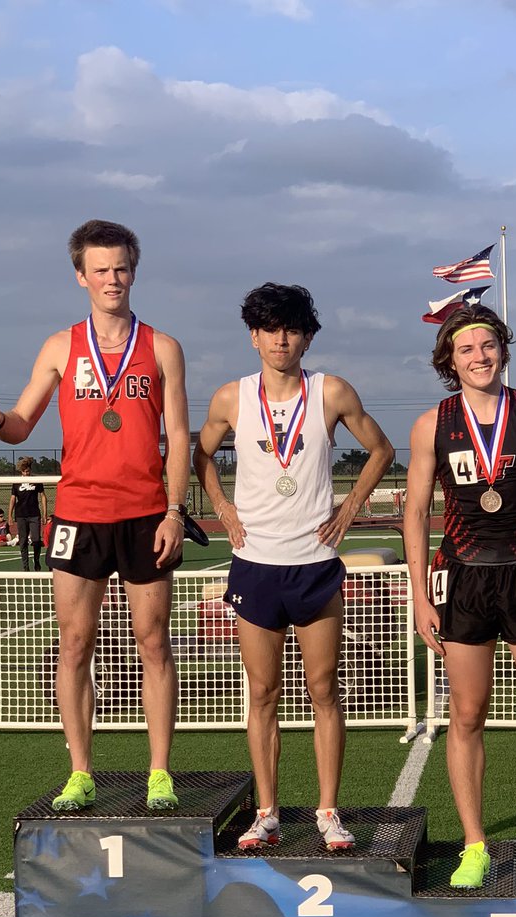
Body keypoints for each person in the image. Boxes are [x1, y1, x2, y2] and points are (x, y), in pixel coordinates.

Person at [0, 219, 190, 812]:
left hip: (145, 515)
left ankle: (159, 771)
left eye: (121, 267)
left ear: (133, 272)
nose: (112, 278)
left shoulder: (162, 347)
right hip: (80, 514)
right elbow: (21, 424)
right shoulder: (60, 346)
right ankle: (81, 771)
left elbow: (179, 435)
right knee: (74, 643)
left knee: (153, 641)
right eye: (100, 269)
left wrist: (173, 511)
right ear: (80, 276)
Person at [193, 282, 393, 852]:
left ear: (307, 335)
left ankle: (329, 811)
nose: (281, 339)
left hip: (314, 563)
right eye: (270, 328)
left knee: (325, 689)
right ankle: (267, 812)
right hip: (255, 565)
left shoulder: (331, 392)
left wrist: (351, 506)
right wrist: (224, 510)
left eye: (292, 328)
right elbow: (198, 454)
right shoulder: (232, 398)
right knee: (262, 694)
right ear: (253, 335)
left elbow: (381, 449)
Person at [403, 305, 516, 890]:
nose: (479, 357)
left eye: (488, 346)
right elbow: (416, 512)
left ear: (503, 351)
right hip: (463, 578)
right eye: (466, 349)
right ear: (448, 360)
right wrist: (417, 592)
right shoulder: (432, 422)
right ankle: (475, 844)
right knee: (465, 714)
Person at [8, 456, 47, 568]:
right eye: (24, 472)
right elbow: (12, 499)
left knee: (36, 539)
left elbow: (43, 496)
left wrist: (44, 514)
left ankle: (36, 560)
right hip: (21, 515)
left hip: (34, 514)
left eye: (28, 471)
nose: (26, 473)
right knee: (23, 540)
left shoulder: (36, 481)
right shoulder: (16, 482)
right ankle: (25, 566)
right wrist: (10, 515)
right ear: (21, 471)